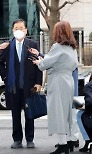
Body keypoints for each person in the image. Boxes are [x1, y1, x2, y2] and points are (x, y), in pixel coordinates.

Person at [33, 21, 78, 154]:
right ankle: (70, 140)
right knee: (67, 112)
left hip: (58, 80)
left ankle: (62, 143)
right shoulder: (72, 48)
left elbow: (45, 64)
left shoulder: (57, 47)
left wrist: (38, 62)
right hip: (68, 80)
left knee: (58, 111)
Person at [0, 19, 43, 149]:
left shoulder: (32, 44)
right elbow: (0, 63)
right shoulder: (7, 46)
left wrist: (38, 82)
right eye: (16, 28)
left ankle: (30, 139)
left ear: (26, 30)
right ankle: (17, 139)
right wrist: (5, 77)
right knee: (15, 114)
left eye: (21, 28)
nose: (19, 30)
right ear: (12, 30)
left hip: (29, 85)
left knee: (30, 113)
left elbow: (38, 64)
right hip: (13, 87)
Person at [77, 74, 92, 153]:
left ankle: (88, 140)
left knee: (80, 115)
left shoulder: (89, 86)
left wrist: (85, 107)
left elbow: (90, 102)